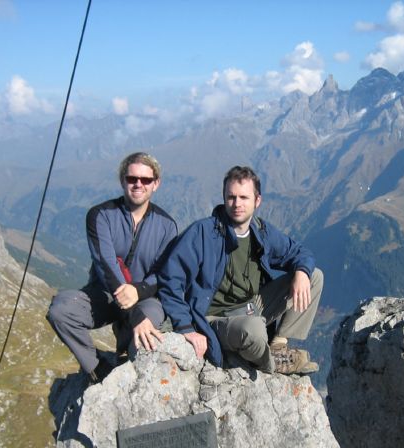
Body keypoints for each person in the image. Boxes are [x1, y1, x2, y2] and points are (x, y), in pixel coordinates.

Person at [158, 165, 323, 375]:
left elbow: (300, 253)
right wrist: (186, 328)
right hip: (215, 318)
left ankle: (278, 345)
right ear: (224, 198)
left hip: (252, 307)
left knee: (314, 276)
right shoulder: (203, 233)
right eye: (231, 197)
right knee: (252, 331)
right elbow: (170, 279)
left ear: (257, 201)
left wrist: (301, 272)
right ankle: (274, 364)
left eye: (244, 198)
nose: (237, 204)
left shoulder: (261, 232)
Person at [46, 152, 177, 383]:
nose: (138, 184)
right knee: (61, 310)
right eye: (132, 178)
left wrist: (139, 292)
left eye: (146, 180)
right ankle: (97, 366)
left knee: (152, 321)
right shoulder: (100, 215)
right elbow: (106, 267)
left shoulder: (166, 226)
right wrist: (134, 314)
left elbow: (164, 274)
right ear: (122, 181)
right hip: (104, 295)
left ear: (156, 184)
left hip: (144, 297)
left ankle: (129, 358)